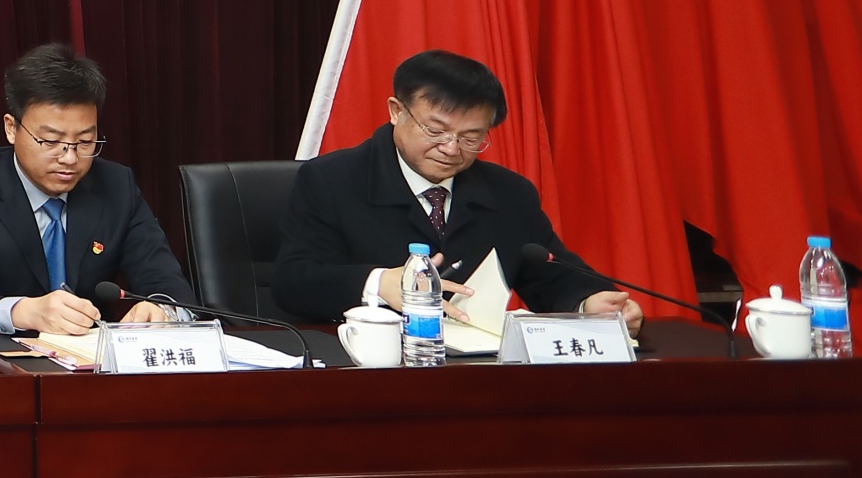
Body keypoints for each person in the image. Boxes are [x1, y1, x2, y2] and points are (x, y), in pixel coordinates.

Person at [273, 49, 642, 332]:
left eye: (470, 138)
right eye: (435, 131)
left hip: (477, 373)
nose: (451, 149)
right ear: (396, 111)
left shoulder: (510, 195)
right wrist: (379, 283)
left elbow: (549, 273)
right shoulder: (331, 180)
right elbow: (294, 282)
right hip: (369, 367)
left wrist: (589, 304)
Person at [0, 43, 192, 337]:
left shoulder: (115, 187)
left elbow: (169, 286)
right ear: (11, 128)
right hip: (3, 359)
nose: (70, 158)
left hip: (89, 358)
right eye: (50, 141)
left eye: (84, 142)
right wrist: (22, 312)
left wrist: (162, 310)